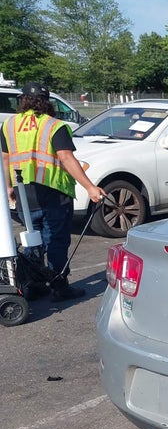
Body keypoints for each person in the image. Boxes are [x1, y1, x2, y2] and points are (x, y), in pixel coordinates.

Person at [1, 81, 106, 302]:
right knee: (56, 240)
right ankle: (59, 286)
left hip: (23, 192)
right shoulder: (54, 125)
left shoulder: (9, 125)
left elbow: (6, 158)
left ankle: (35, 284)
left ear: (23, 101)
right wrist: (90, 187)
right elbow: (66, 157)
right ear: (46, 102)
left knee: (32, 239)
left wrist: (8, 186)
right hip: (52, 192)